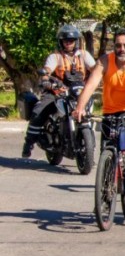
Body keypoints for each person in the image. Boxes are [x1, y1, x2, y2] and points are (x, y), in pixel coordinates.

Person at [72, 28, 125, 180]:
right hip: (111, 109)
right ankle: (107, 180)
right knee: (108, 145)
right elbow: (90, 85)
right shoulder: (104, 61)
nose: (121, 49)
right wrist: (79, 108)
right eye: (118, 45)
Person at [23, 25, 97, 158]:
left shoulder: (84, 55)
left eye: (71, 40)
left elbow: (95, 69)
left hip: (79, 92)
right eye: (65, 41)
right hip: (58, 92)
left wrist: (102, 76)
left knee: (89, 113)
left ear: (76, 41)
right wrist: (45, 78)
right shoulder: (55, 56)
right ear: (61, 42)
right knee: (38, 111)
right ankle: (29, 143)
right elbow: (47, 70)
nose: (68, 43)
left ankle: (88, 147)